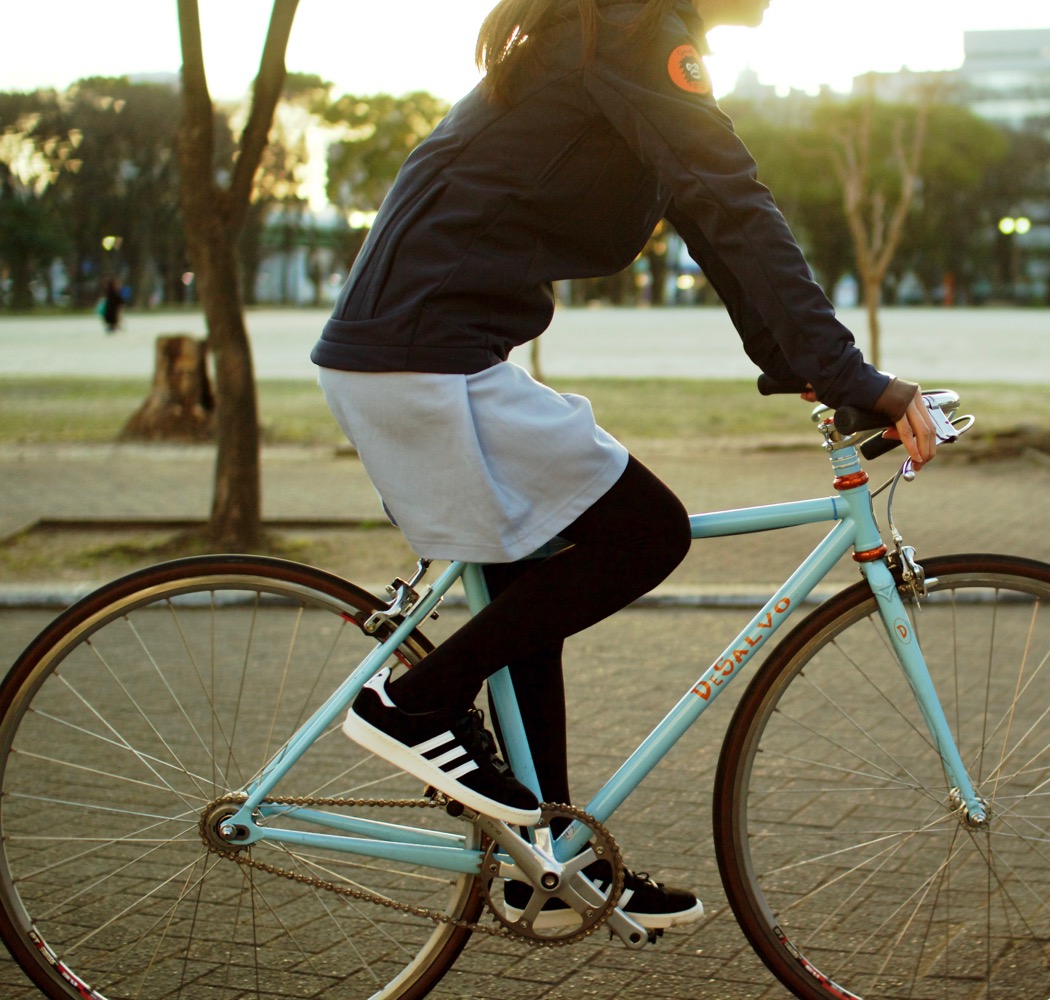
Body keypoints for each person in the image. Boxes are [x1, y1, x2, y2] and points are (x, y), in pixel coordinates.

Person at [311, 0, 938, 931]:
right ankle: (414, 702)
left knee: (537, 595)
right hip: (425, 356)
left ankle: (547, 863)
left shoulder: (616, 37)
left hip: (422, 349)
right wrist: (858, 379)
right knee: (647, 532)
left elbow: (714, 224)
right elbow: (736, 202)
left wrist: (813, 373)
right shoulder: (641, 35)